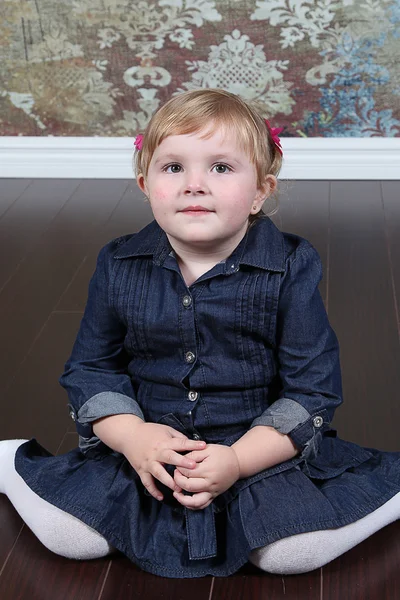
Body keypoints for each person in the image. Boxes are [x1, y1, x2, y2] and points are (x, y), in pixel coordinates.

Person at [1, 88, 399, 579]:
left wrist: (236, 460)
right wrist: (132, 437)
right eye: (174, 168)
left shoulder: (291, 266)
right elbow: (91, 368)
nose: (194, 185)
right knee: (74, 538)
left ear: (261, 190)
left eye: (221, 168)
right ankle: (11, 463)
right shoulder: (120, 263)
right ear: (145, 184)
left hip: (257, 449)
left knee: (288, 554)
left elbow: (312, 389)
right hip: (150, 447)